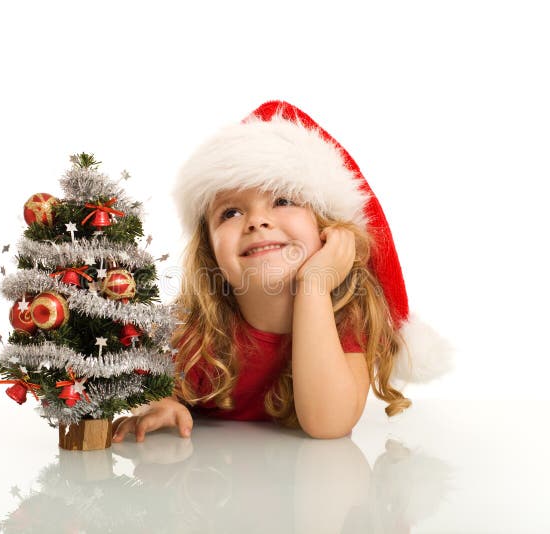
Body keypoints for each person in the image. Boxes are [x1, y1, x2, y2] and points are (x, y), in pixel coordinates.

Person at [112, 101, 451, 443]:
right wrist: (157, 402)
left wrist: (314, 287)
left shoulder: (347, 317)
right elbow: (139, 378)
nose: (257, 221)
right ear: (210, 254)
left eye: (284, 201)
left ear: (327, 229)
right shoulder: (196, 333)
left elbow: (328, 424)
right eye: (230, 213)